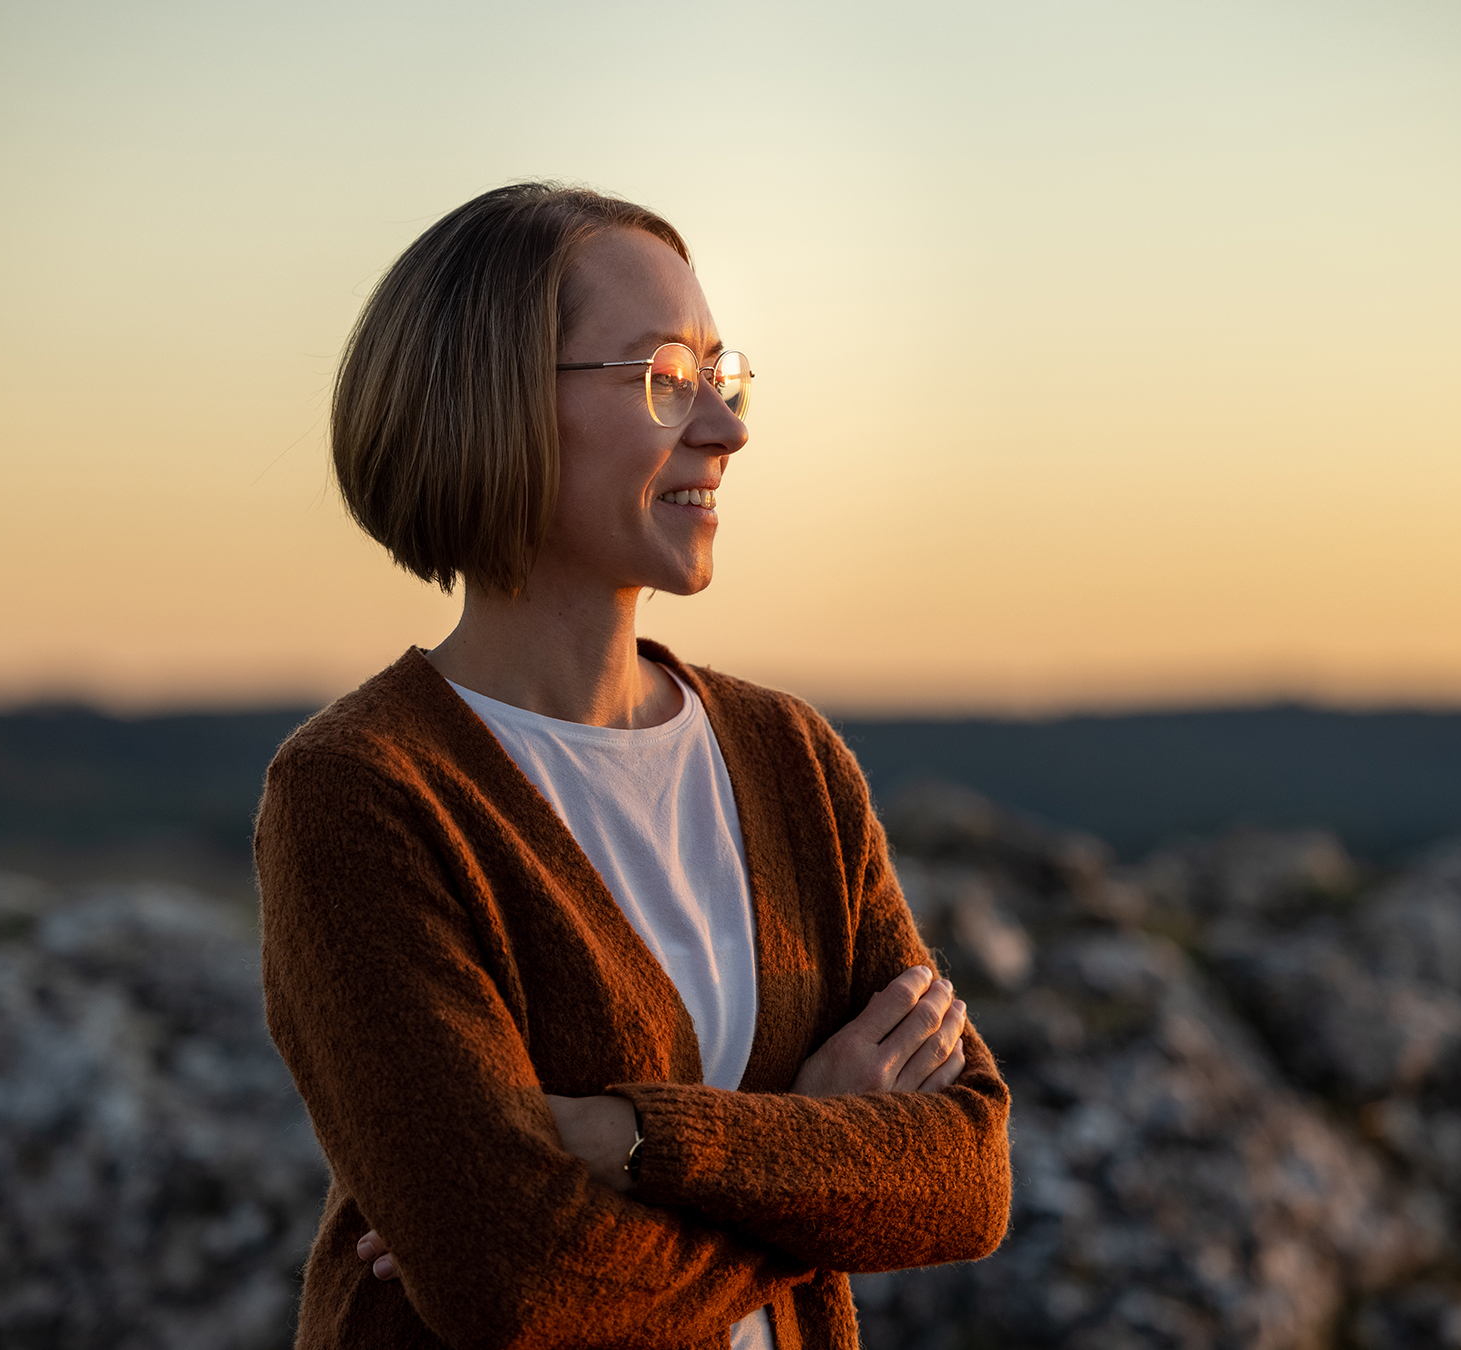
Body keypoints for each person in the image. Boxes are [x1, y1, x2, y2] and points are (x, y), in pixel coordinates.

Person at [254, 182, 1011, 1350]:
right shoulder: (363, 792)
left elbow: (964, 1175)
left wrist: (627, 1140)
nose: (724, 427)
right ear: (493, 400)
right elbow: (513, 1286)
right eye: (665, 377)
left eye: (724, 375)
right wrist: (811, 1144)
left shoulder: (787, 759)